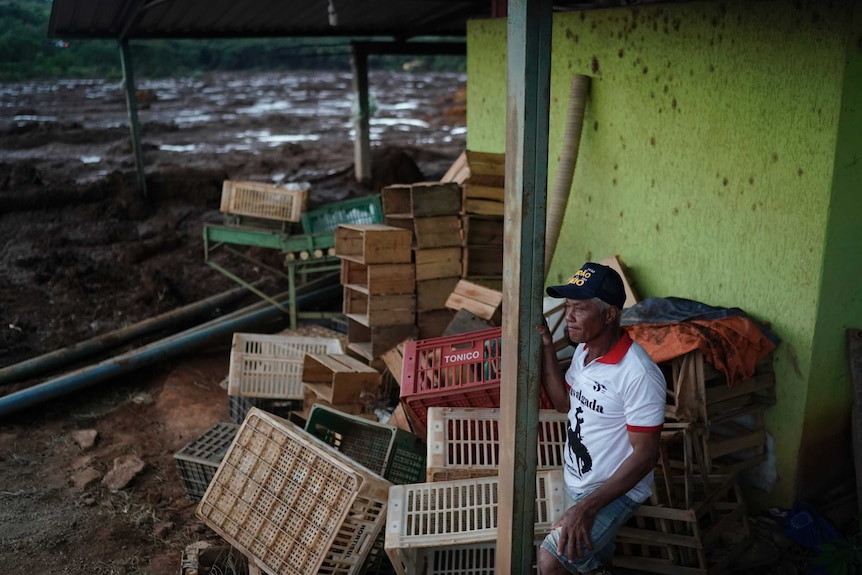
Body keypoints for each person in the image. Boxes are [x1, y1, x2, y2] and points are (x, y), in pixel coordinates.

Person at [536, 262, 666, 575]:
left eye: (579, 309)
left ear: (609, 315)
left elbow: (646, 455)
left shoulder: (638, 374)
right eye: (567, 307)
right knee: (590, 561)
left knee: (551, 560)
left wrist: (586, 507)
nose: (568, 317)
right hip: (578, 481)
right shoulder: (583, 352)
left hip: (615, 490)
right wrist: (546, 350)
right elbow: (563, 402)